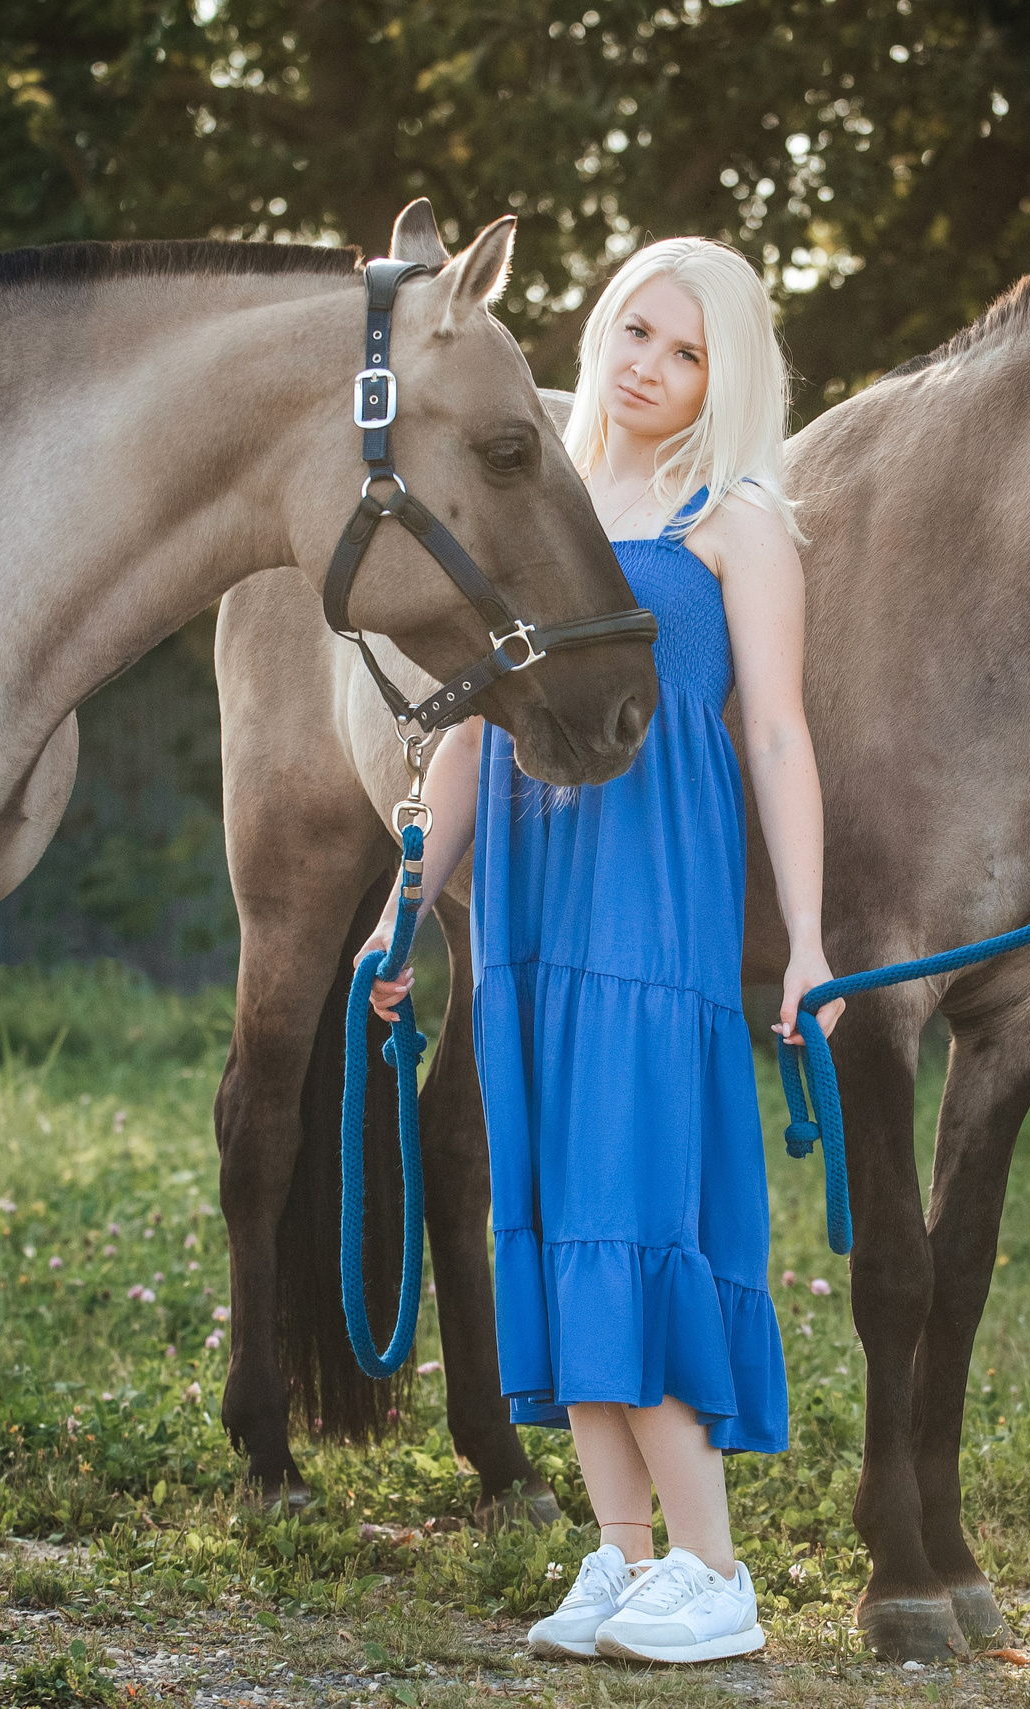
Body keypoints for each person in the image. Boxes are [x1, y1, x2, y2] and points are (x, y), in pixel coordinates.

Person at [359, 236, 840, 1666]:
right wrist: (408, 909)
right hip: (525, 910)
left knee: (635, 1201)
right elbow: (466, 725)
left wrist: (809, 940)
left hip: (653, 905)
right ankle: (622, 1560)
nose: (645, 365)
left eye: (685, 350)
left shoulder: (736, 520)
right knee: (559, 1214)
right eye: (635, 330)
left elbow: (775, 732)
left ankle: (714, 1567)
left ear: (725, 375)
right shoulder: (537, 505)